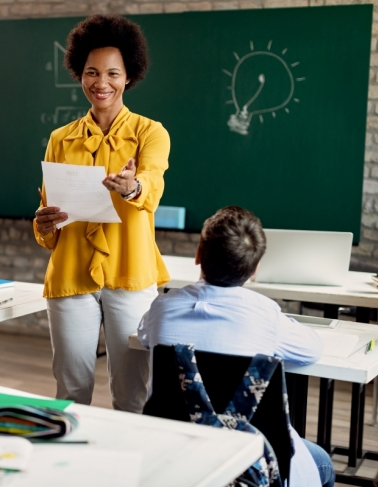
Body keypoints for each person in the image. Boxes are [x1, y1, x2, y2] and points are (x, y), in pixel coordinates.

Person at [138, 206, 335, 487]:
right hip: (255, 461)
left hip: (173, 452)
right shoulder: (265, 315)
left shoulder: (163, 308)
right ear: (254, 269)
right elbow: (312, 350)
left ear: (198, 255)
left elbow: (144, 336)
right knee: (324, 463)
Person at [33, 14, 170, 412]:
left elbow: (153, 183)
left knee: (132, 395)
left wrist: (134, 187)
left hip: (130, 273)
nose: (101, 83)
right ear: (79, 74)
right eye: (91, 72)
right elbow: (48, 219)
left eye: (112, 73)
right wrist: (43, 222)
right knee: (71, 392)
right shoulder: (61, 139)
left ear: (129, 77)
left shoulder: (150, 132)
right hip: (72, 271)